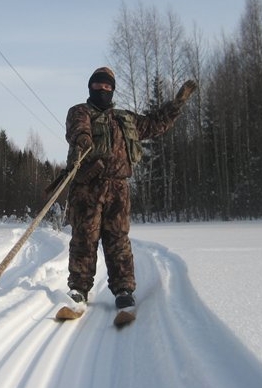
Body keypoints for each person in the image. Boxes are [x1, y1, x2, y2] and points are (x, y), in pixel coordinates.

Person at [65, 67, 196, 309]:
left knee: (118, 239)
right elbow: (78, 128)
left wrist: (176, 105)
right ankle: (78, 290)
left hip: (118, 189)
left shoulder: (125, 119)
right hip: (87, 188)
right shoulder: (79, 111)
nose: (102, 90)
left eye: (107, 86)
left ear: (112, 90)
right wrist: (84, 141)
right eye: (98, 86)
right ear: (90, 87)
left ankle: (124, 289)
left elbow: (156, 123)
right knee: (84, 238)